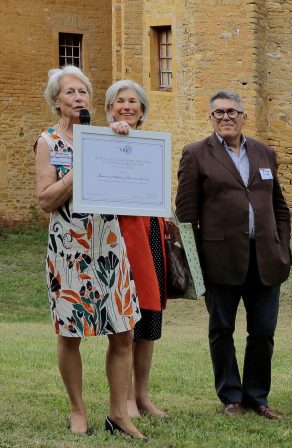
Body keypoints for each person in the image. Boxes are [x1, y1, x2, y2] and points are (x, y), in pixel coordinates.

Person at [35, 67, 145, 439]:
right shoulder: (49, 141)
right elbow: (46, 200)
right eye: (70, 92)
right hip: (69, 249)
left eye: (84, 91)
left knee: (124, 332)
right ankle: (77, 408)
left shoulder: (105, 135)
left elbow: (136, 175)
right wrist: (80, 167)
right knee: (70, 334)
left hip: (109, 246)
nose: (79, 97)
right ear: (57, 101)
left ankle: (118, 414)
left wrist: (121, 144)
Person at [175, 89, 291, 419]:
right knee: (222, 330)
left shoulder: (264, 153)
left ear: (243, 116)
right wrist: (197, 263)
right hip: (220, 260)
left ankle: (257, 396)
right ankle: (231, 397)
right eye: (219, 113)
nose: (226, 117)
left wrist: (282, 246)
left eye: (231, 112)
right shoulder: (196, 153)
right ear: (211, 118)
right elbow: (185, 214)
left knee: (264, 331)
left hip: (266, 258)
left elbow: (280, 206)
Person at [106, 80, 169, 418]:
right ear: (110, 108)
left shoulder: (151, 144)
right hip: (120, 238)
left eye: (133, 102)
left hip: (151, 234)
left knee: (150, 321)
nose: (127, 107)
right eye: (120, 102)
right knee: (126, 322)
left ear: (143, 110)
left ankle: (142, 396)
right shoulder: (104, 141)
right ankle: (126, 398)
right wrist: (115, 133)